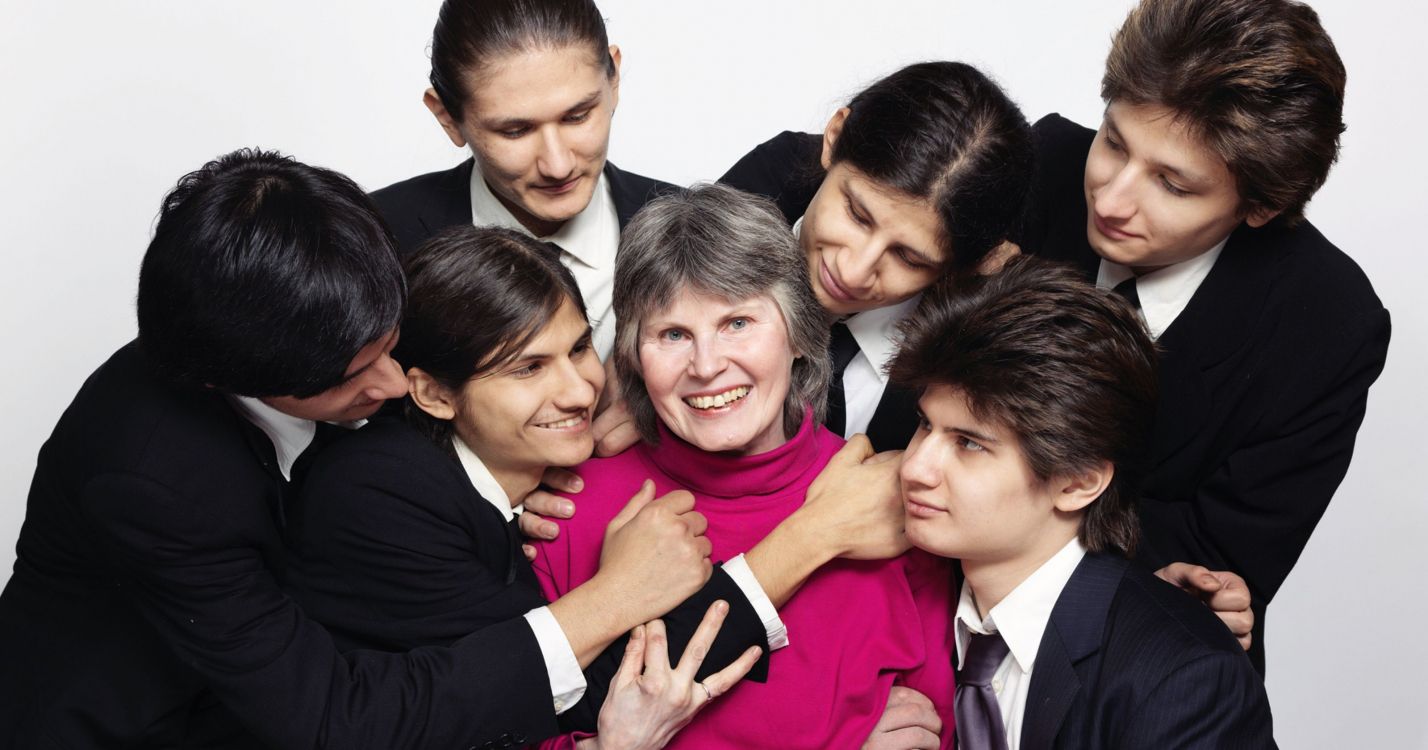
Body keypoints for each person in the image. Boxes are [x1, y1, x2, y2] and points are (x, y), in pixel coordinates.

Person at [0, 149, 714, 750]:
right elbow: (333, 719)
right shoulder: (154, 478)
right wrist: (611, 600)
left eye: (393, 345)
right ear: (232, 381)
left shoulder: (340, 283)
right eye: (350, 376)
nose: (394, 381)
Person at [1014, 0, 1391, 670]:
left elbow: (1214, 565)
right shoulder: (1038, 164)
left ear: (1262, 207)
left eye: (1173, 184)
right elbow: (849, 186)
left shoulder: (1328, 321)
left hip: (1143, 668)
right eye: (1115, 142)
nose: (1111, 198)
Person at [283, 226, 768, 743]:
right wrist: (626, 587)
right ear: (433, 394)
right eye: (529, 368)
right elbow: (571, 699)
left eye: (580, 348)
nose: (581, 392)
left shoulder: (504, 475)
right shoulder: (375, 495)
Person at [532, 184, 957, 749]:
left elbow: (937, 729)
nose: (707, 366)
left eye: (737, 323)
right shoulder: (563, 507)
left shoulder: (889, 506)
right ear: (632, 356)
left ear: (801, 336)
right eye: (673, 334)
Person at [893, 256, 1274, 749]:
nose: (914, 467)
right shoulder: (902, 598)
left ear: (1077, 482)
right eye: (925, 424)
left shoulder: (1184, 681)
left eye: (969, 443)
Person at [714, 60, 1032, 453]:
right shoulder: (734, 210)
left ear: (966, 266)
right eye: (857, 215)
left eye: (909, 258)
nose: (853, 271)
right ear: (833, 137)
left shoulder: (969, 357)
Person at [373, 0, 667, 359]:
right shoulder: (373, 240)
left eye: (577, 116)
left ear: (614, 79)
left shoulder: (694, 227)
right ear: (448, 118)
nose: (557, 166)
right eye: (515, 131)